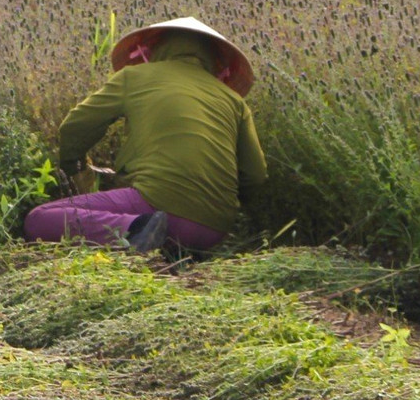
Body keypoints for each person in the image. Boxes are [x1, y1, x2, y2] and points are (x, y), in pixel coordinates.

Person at [23, 17, 266, 256]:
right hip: (214, 231)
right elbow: (255, 174)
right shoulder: (235, 101)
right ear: (214, 58)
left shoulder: (135, 77)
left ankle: (136, 231)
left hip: (159, 207)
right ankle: (168, 248)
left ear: (157, 47)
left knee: (39, 219)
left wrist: (74, 168)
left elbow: (75, 127)